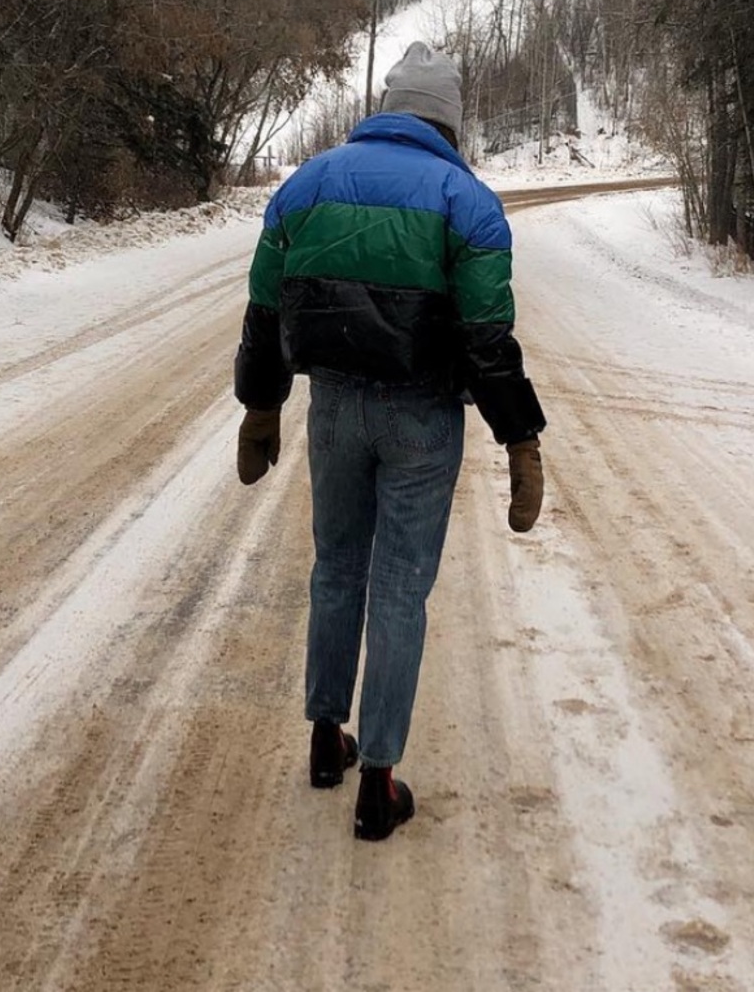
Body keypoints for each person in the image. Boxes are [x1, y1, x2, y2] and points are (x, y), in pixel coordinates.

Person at [234, 41, 546, 842]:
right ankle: (378, 780)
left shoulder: (306, 183)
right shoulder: (467, 201)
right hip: (420, 417)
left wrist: (262, 406)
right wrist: (521, 439)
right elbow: (486, 338)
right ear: (447, 118)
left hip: (333, 408)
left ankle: (322, 738)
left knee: (336, 567)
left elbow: (265, 306)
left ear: (387, 105)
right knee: (400, 588)